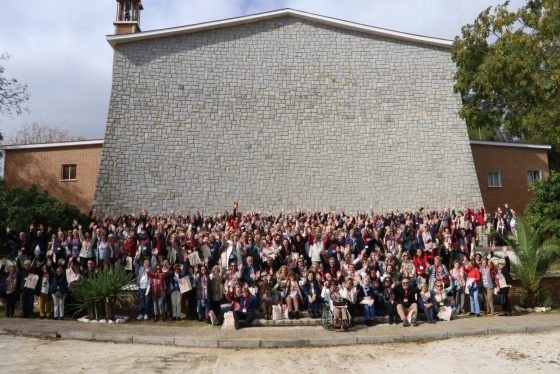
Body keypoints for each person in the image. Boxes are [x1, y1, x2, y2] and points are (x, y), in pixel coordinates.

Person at [495, 247, 513, 316]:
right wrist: (496, 286)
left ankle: (509, 311)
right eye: (499, 264)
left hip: (505, 286)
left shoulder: (506, 269)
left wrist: (505, 253)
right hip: (500, 287)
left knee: (505, 298)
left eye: (502, 264)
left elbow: (508, 262)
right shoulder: (497, 271)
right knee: (501, 299)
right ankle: (505, 311)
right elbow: (496, 279)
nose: (500, 265)